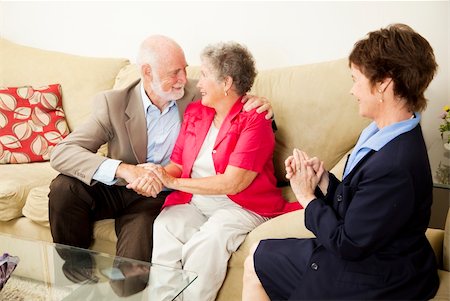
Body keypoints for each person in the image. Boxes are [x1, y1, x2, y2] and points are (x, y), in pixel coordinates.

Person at [242, 23, 440, 300]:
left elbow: (348, 243)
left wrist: (306, 196)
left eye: (356, 79)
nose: (353, 90)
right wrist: (322, 179)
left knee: (256, 260)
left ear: (383, 83)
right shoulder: (384, 132)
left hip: (375, 274)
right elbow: (363, 203)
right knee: (257, 254)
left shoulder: (396, 164)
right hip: (369, 254)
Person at [48, 35, 273, 263]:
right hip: (117, 186)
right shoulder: (113, 104)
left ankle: (127, 291)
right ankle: (76, 275)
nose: (184, 80)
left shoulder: (199, 95)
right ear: (147, 72)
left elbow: (233, 101)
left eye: (184, 70)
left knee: (132, 270)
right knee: (64, 188)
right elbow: (62, 152)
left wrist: (258, 104)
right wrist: (124, 170)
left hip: (158, 194)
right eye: (174, 72)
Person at [127, 41, 301, 301]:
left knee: (209, 241)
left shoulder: (255, 121)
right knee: (165, 225)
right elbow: (177, 164)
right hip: (198, 202)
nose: (197, 83)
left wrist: (171, 181)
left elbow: (233, 183)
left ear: (227, 83)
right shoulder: (197, 112)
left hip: (241, 206)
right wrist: (154, 174)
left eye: (205, 75)